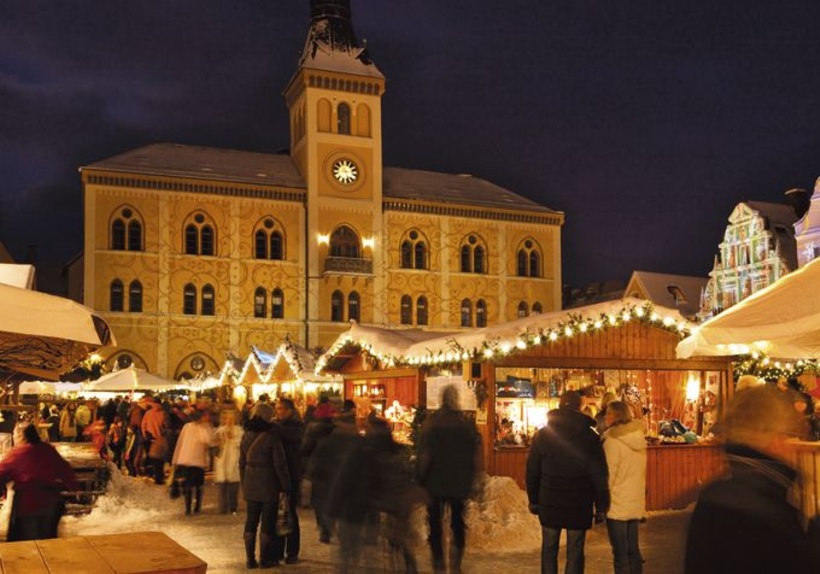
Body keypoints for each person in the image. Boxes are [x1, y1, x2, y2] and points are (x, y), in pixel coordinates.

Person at [685, 385, 820, 573]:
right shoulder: (766, 510)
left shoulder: (715, 495)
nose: (791, 445)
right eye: (790, 433)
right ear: (775, 439)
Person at [526, 390, 610, 574]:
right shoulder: (590, 437)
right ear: (580, 407)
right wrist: (602, 506)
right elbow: (598, 474)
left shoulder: (543, 435)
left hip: (550, 499)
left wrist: (533, 500)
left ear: (559, 404)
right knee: (575, 551)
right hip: (579, 502)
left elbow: (532, 471)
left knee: (549, 549)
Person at [416, 384, 480, 573]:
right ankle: (456, 562)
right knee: (458, 523)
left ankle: (438, 562)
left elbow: (425, 455)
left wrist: (420, 478)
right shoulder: (465, 425)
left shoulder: (433, 425)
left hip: (435, 484)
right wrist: (474, 478)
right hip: (459, 483)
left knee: (435, 525)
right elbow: (475, 455)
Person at [0, 423, 79, 541]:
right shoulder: (48, 449)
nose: (14, 437)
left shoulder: (17, 454)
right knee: (47, 543)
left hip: (28, 506)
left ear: (22, 436)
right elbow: (64, 469)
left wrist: (3, 492)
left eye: (15, 434)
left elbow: (2, 472)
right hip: (51, 504)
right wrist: (73, 487)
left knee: (28, 546)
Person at [240, 410, 291, 569]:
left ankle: (250, 559)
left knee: (251, 521)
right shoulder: (272, 438)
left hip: (251, 483)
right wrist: (286, 485)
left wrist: (244, 484)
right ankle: (264, 559)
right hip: (269, 484)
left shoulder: (245, 437)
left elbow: (241, 463)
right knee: (267, 523)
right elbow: (280, 465)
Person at [601, 400, 646, 574]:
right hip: (634, 500)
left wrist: (602, 501)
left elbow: (609, 475)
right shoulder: (638, 437)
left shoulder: (613, 440)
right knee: (632, 550)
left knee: (620, 554)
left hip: (617, 503)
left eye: (608, 413)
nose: (605, 417)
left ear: (616, 416)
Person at [272, 398, 305, 565]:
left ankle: (292, 551)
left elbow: (290, 436)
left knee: (290, 513)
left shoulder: (297, 425)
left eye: (284, 409)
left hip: (292, 475)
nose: (280, 412)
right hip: (278, 475)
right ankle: (278, 550)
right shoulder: (277, 425)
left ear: (291, 410)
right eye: (278, 409)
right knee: (278, 513)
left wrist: (272, 426)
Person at [171, 410, 216, 515]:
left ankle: (188, 509)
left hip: (185, 459)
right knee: (198, 485)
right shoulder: (204, 427)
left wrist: (176, 459)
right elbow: (209, 440)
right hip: (197, 461)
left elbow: (180, 442)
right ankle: (196, 508)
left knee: (188, 485)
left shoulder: (186, 426)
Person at [213, 409, 242, 514]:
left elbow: (241, 444)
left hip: (233, 458)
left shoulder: (239, 430)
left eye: (231, 418)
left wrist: (232, 439)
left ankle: (233, 506)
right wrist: (221, 439)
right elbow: (214, 442)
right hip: (222, 459)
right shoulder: (220, 430)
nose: (228, 421)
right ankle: (222, 507)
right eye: (226, 418)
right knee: (222, 485)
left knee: (233, 484)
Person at [142, 398, 169, 485]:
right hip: (160, 438)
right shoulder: (163, 413)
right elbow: (167, 426)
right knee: (160, 459)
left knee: (152, 458)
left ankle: (152, 474)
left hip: (150, 438)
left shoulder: (148, 413)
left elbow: (143, 425)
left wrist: (145, 435)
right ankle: (159, 476)